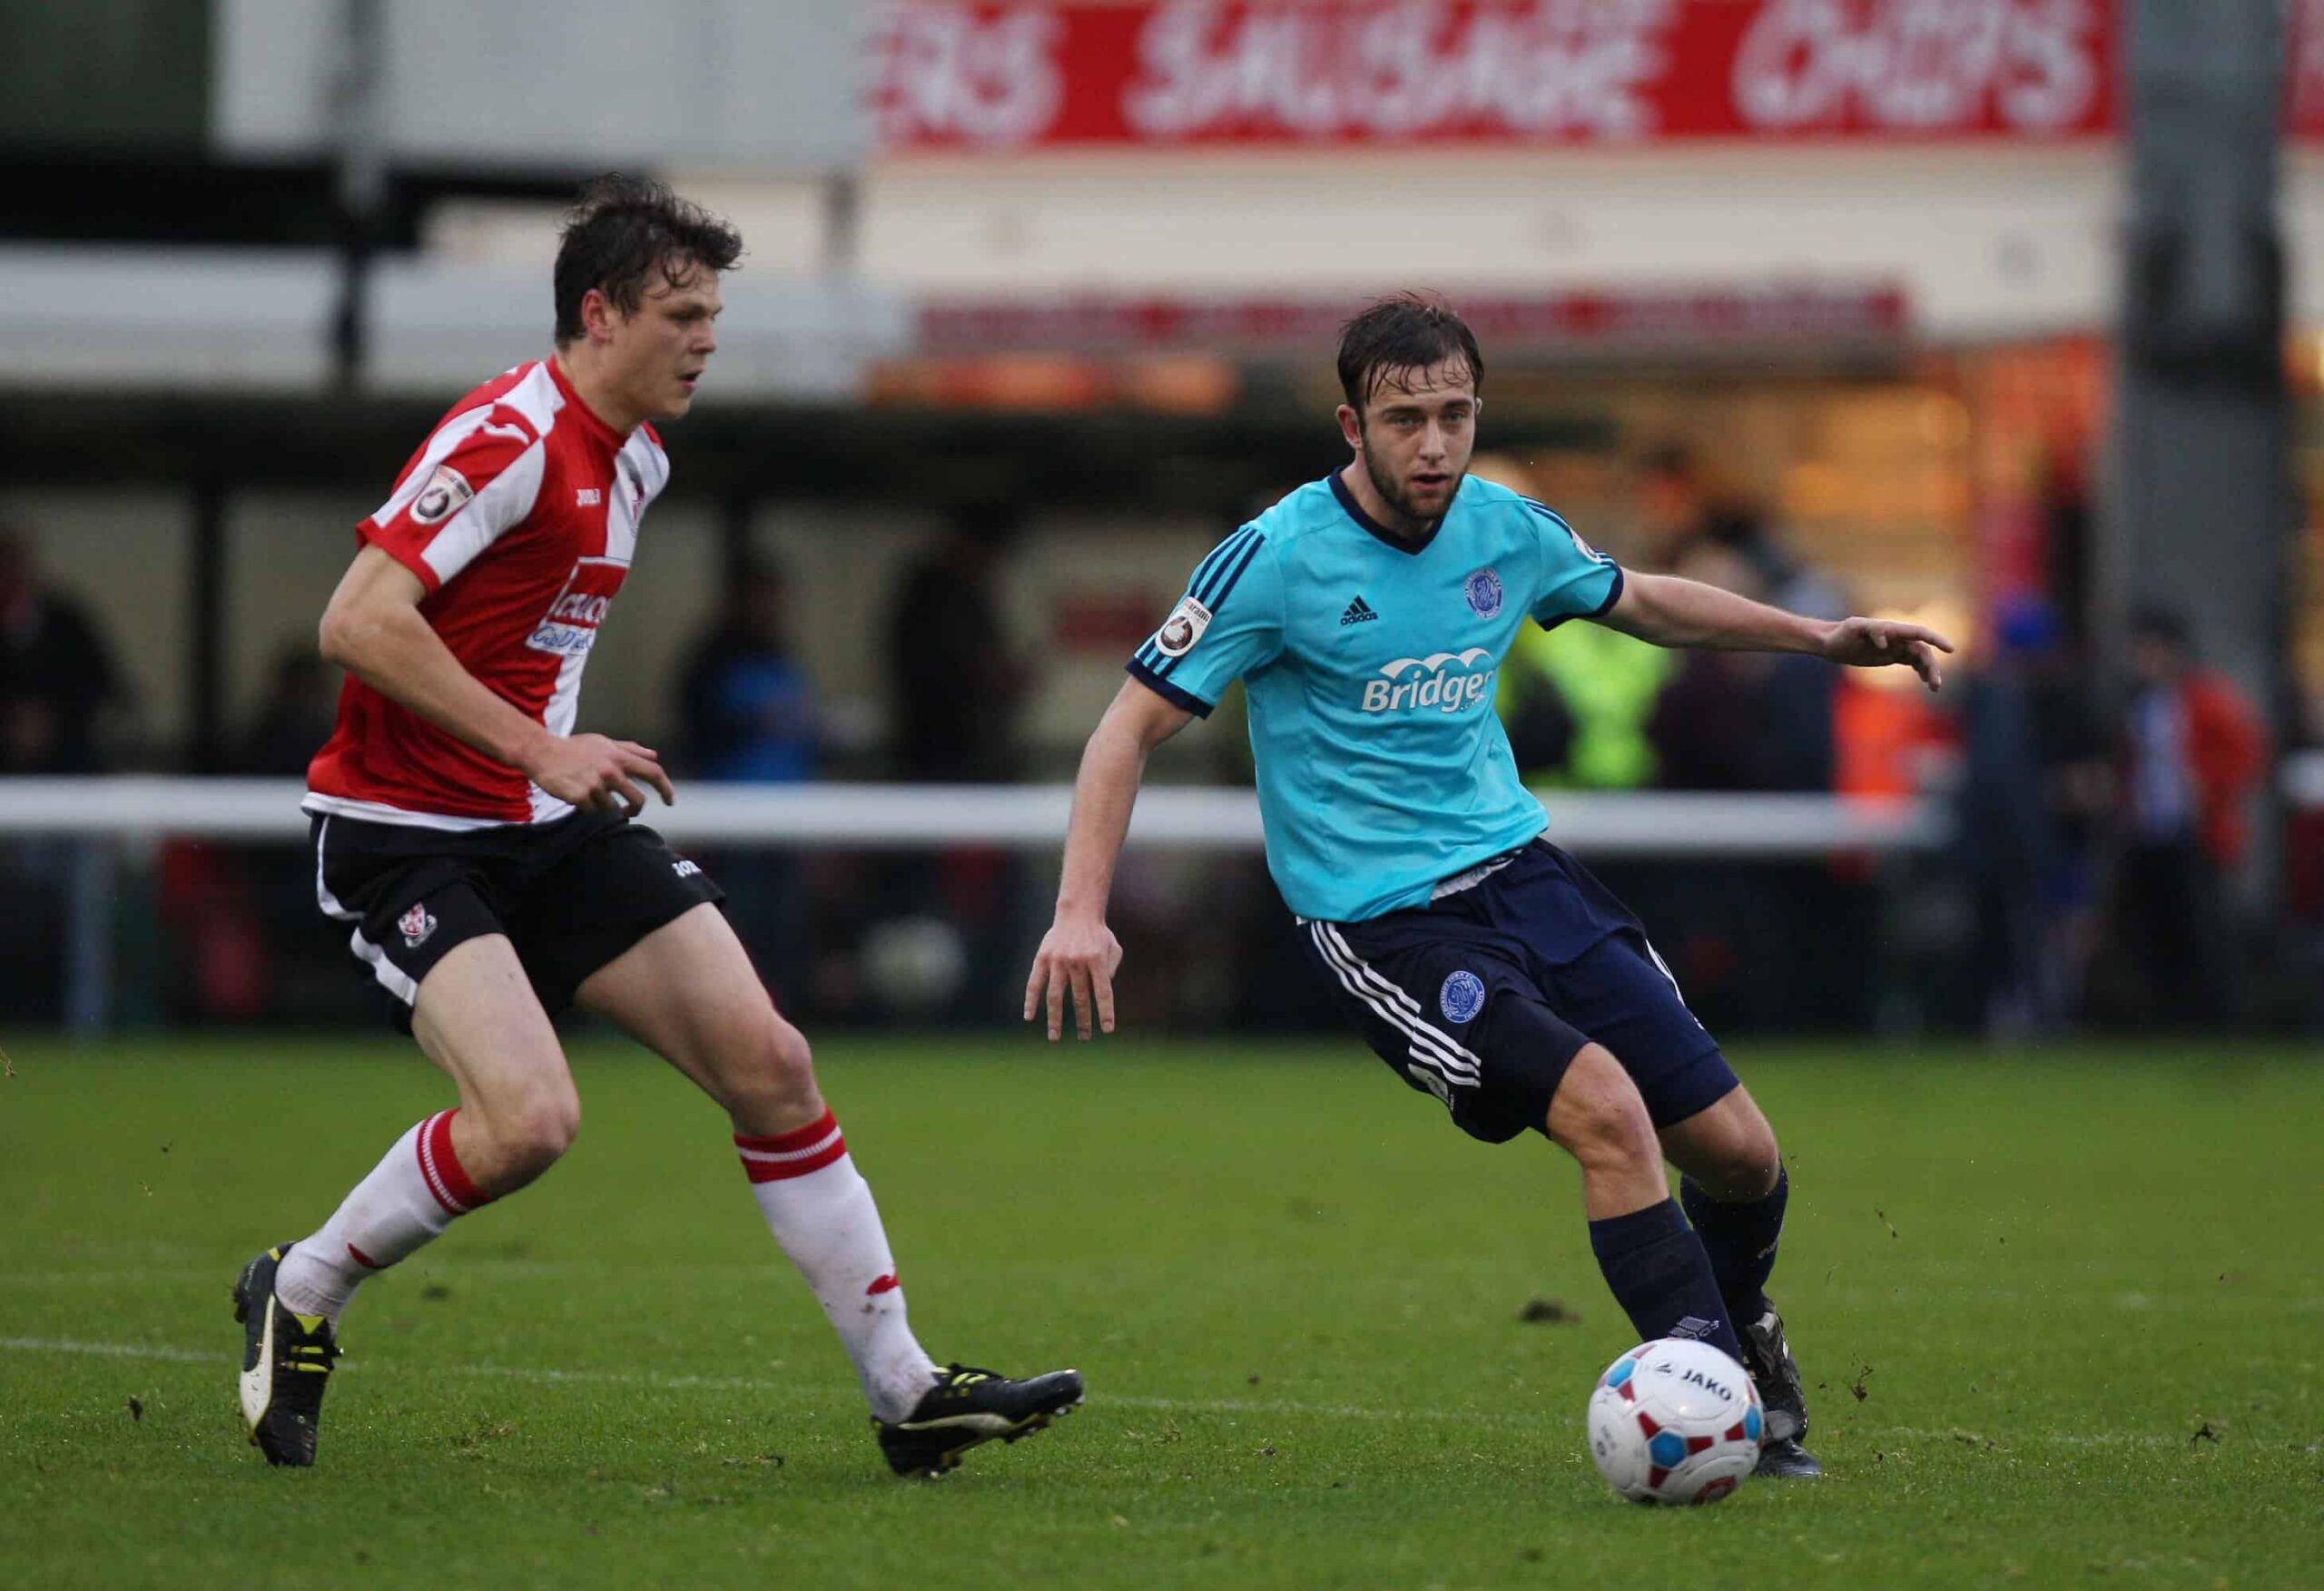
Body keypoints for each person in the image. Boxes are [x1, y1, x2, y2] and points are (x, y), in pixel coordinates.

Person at [235, 175, 1079, 1478]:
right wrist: (541, 747)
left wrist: (553, 760)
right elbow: (358, 619)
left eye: (713, 314)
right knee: (528, 1123)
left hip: (545, 822)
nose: (706, 338)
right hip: (409, 832)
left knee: (775, 1064)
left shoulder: (638, 456)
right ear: (599, 311)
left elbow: (524, 651)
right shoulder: (509, 433)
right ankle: (302, 1284)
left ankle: (906, 1392)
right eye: (682, 312)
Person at [1026, 295, 1951, 1480]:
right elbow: (1123, 729)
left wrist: (1821, 638)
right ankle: (1719, 1404)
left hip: (1529, 878)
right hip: (1389, 924)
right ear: (1352, 425)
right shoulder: (1277, 557)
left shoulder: (1504, 529)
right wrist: (1078, 911)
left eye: (1454, 415)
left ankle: (1743, 1336)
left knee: (1739, 1152)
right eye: (1406, 419)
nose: (1434, 445)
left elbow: (1638, 598)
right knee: (1610, 1116)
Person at [2114, 606, 2266, 1023]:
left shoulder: (2204, 698)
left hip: (2197, 832)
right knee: (2159, 930)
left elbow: (2247, 753)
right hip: (2151, 830)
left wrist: (2209, 787)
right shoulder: (2138, 704)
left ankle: (2218, 1016)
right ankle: (2169, 1014)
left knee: (2205, 928)